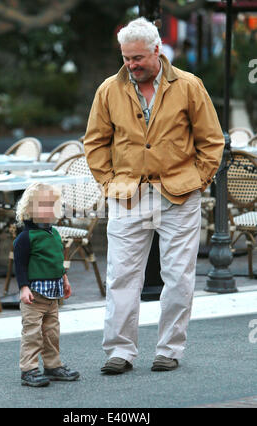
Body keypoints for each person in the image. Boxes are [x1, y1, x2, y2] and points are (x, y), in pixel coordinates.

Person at [84, 17, 225, 374]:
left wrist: (199, 180)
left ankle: (169, 349)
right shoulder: (108, 90)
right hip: (126, 195)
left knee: (179, 276)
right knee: (121, 276)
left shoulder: (190, 86)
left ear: (157, 51)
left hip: (179, 194)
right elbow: (95, 143)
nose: (131, 65)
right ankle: (119, 351)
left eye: (138, 58)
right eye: (126, 58)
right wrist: (108, 183)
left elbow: (212, 140)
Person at [13, 183, 80, 387]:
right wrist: (23, 287)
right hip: (34, 296)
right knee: (33, 334)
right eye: (43, 205)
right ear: (29, 209)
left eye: (52, 205)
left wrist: (65, 279)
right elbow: (20, 265)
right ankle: (29, 369)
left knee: (51, 333)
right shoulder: (26, 237)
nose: (49, 209)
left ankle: (52, 366)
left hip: (53, 295)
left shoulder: (55, 234)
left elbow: (57, 260)